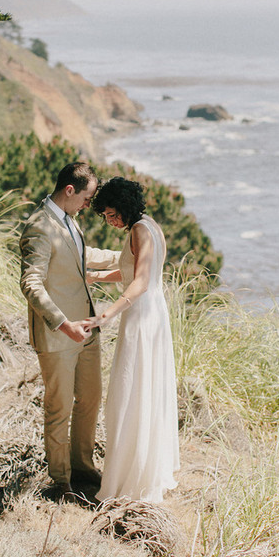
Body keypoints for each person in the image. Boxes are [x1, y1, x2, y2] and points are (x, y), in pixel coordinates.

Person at [20, 162, 120, 502]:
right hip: (59, 335)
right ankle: (60, 481)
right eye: (87, 198)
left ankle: (82, 467)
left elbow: (81, 255)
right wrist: (63, 323)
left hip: (88, 329)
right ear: (69, 191)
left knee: (90, 399)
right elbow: (30, 283)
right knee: (59, 407)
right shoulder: (38, 227)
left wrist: (130, 256)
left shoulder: (69, 221)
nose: (88, 206)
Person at [83, 177, 180, 503]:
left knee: (130, 392)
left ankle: (131, 481)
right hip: (152, 312)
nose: (109, 221)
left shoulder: (139, 230)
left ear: (123, 207)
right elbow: (137, 269)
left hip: (141, 316)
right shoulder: (149, 225)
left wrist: (107, 313)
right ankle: (138, 469)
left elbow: (139, 281)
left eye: (111, 214)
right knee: (143, 390)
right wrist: (96, 276)